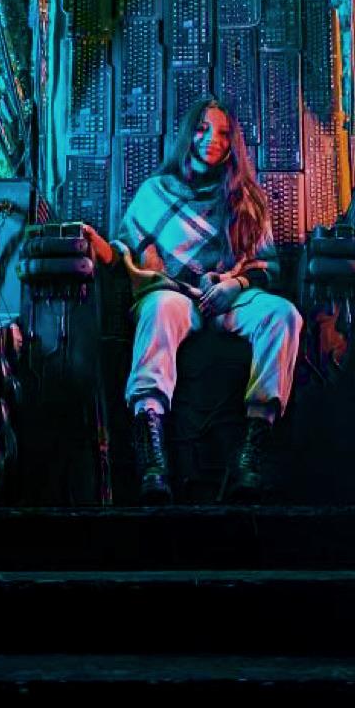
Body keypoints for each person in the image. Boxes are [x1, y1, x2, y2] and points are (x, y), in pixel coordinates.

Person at [83, 98, 303, 504]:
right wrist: (101, 248)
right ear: (188, 134)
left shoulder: (247, 198)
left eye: (223, 133)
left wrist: (235, 285)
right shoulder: (156, 191)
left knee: (283, 315)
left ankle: (252, 453)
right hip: (175, 293)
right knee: (159, 307)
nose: (211, 139)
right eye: (202, 129)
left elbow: (266, 266)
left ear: (233, 143)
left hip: (230, 296)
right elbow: (125, 251)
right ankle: (152, 455)